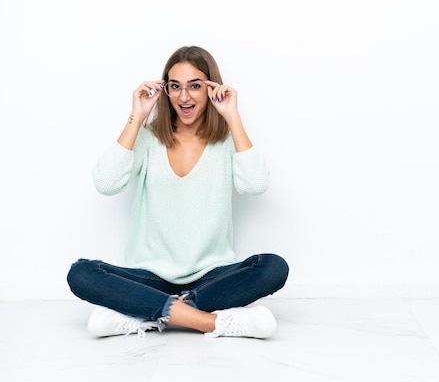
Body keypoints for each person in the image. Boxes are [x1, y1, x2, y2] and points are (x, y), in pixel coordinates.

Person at [67, 46, 289, 339]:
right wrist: (136, 115)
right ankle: (207, 321)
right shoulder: (148, 139)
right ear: (166, 90)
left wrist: (233, 116)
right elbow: (107, 183)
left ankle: (146, 314)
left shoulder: (225, 142)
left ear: (211, 89)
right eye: (175, 86)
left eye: (195, 86)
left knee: (273, 267)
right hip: (149, 276)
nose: (184, 97)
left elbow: (255, 184)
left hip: (211, 276)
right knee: (81, 273)